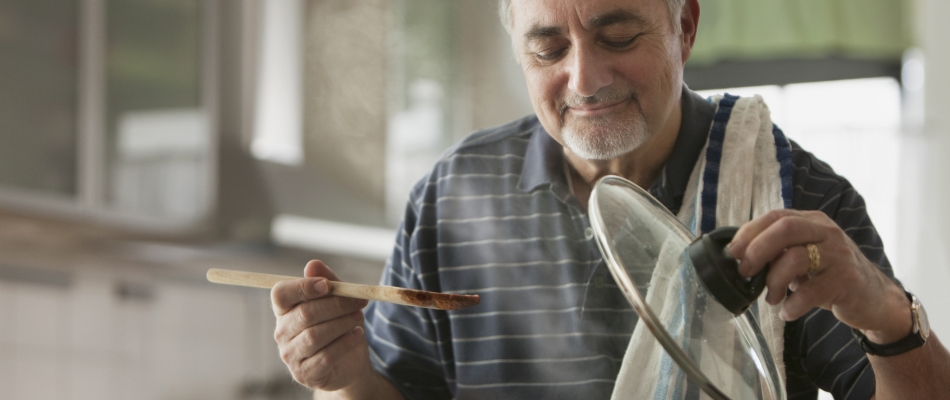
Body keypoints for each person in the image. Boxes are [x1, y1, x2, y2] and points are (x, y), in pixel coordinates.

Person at [268, 0, 950, 399]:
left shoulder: (794, 195)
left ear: (684, 24)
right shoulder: (451, 197)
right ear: (514, 41)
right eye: (547, 48)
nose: (585, 79)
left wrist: (884, 312)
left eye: (618, 36)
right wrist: (348, 375)